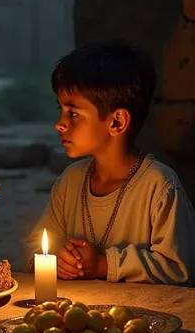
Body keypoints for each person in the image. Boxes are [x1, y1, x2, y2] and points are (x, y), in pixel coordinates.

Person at [26, 40, 195, 285]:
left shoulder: (159, 186)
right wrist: (55, 258)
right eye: (60, 109)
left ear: (116, 122)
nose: (59, 123)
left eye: (73, 113)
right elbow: (34, 246)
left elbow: (179, 270)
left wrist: (103, 265)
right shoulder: (70, 181)